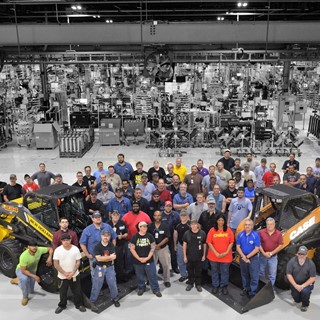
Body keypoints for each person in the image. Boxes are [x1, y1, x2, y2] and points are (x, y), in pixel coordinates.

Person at [53, 233, 86, 314]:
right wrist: (65, 273)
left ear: (70, 240)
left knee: (77, 291)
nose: (66, 242)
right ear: (61, 241)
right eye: (64, 240)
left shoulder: (75, 249)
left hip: (74, 275)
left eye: (67, 240)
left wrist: (72, 273)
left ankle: (79, 305)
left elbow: (78, 262)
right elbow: (56, 264)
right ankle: (62, 305)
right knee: (63, 292)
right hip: (62, 276)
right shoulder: (57, 250)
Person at [130, 221, 162, 297]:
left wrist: (147, 258)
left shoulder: (150, 236)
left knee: (152, 275)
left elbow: (153, 247)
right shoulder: (134, 237)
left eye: (145, 226)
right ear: (139, 228)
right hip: (138, 261)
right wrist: (139, 258)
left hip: (149, 260)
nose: (144, 228)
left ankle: (156, 289)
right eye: (142, 226)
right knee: (139, 276)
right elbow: (132, 249)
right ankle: (141, 288)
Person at [16, 240, 53, 306]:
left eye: (35, 246)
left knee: (31, 291)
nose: (34, 248)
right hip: (21, 270)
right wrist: (35, 276)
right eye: (32, 246)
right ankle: (25, 297)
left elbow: (50, 249)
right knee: (25, 279)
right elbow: (23, 271)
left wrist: (50, 257)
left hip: (32, 271)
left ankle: (18, 280)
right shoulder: (24, 256)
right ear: (28, 247)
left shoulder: (39, 250)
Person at [89, 230, 120, 308]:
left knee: (112, 284)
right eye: (104, 235)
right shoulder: (97, 246)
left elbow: (114, 257)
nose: (106, 237)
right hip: (99, 268)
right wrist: (108, 258)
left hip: (110, 267)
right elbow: (98, 259)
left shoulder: (111, 245)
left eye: (107, 236)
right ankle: (92, 301)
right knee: (96, 285)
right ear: (101, 236)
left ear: (109, 237)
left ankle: (115, 299)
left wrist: (104, 258)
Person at [206, 214, 234, 295]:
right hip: (214, 256)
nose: (221, 222)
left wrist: (226, 252)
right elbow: (209, 242)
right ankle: (215, 285)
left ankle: (224, 286)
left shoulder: (228, 230)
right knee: (214, 271)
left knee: (224, 271)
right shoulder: (212, 230)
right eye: (219, 220)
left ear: (224, 221)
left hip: (226, 257)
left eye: (222, 220)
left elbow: (231, 242)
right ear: (216, 221)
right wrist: (216, 253)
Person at [286, 245, 316, 312]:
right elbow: (289, 274)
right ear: (297, 253)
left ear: (306, 255)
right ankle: (298, 296)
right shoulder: (292, 261)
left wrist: (302, 286)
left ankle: (305, 305)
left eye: (303, 254)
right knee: (297, 300)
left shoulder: (311, 264)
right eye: (299, 254)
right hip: (295, 283)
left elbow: (313, 278)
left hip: (306, 284)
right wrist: (295, 285)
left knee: (305, 292)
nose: (301, 256)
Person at [236, 218, 260, 297]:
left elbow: (257, 249)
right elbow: (238, 247)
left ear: (252, 226)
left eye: (249, 225)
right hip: (243, 258)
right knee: (244, 274)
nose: (247, 226)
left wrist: (247, 257)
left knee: (254, 276)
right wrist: (244, 257)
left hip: (253, 259)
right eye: (246, 225)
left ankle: (253, 292)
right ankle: (245, 288)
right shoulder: (240, 234)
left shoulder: (255, 235)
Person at [148, 210, 171, 287]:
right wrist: (154, 246)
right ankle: (151, 279)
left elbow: (167, 237)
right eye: (155, 215)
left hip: (163, 248)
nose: (157, 217)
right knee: (151, 265)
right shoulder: (150, 226)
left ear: (161, 216)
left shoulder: (165, 225)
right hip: (152, 248)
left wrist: (159, 245)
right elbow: (148, 237)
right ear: (153, 216)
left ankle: (167, 280)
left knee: (166, 265)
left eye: (159, 215)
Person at [183, 219, 206, 292]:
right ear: (190, 226)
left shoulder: (202, 233)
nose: (193, 226)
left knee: (198, 271)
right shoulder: (187, 233)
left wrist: (204, 255)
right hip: (189, 256)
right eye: (192, 224)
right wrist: (184, 256)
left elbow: (204, 245)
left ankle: (198, 284)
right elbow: (184, 245)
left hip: (199, 256)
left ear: (198, 225)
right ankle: (190, 283)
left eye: (195, 224)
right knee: (190, 270)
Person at [259, 217, 283, 286]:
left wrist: (271, 253)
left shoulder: (278, 234)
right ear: (266, 225)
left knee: (272, 275)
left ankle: (270, 290)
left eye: (271, 224)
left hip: (273, 257)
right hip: (262, 256)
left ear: (274, 224)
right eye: (268, 224)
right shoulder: (261, 232)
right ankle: (260, 288)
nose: (269, 226)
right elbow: (258, 244)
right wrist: (264, 253)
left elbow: (280, 245)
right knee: (261, 273)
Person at [107, 210, 128, 282]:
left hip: (120, 245)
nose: (116, 216)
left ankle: (120, 278)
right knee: (111, 263)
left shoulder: (122, 223)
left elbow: (126, 233)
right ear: (111, 215)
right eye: (114, 215)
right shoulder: (107, 224)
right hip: (109, 247)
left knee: (120, 262)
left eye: (117, 215)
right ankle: (112, 279)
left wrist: (122, 236)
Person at [161, 200, 180, 274]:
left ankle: (175, 267)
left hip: (173, 237)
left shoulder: (176, 214)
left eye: (170, 206)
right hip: (163, 237)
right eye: (167, 206)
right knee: (162, 253)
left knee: (173, 253)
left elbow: (178, 225)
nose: (168, 208)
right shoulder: (161, 214)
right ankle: (161, 267)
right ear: (164, 207)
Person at [173, 209, 190, 282]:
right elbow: (175, 234)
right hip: (180, 244)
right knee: (180, 261)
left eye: (184, 215)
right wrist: (175, 245)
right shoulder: (177, 224)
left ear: (187, 216)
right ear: (180, 216)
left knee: (190, 261)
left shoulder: (191, 224)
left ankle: (191, 275)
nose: (183, 217)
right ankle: (184, 275)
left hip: (190, 246)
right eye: (182, 215)